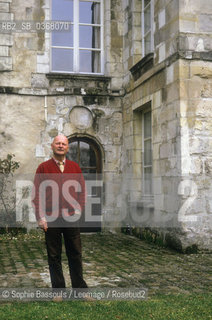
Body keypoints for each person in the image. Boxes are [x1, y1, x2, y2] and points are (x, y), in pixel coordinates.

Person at [32, 134, 88, 289]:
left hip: (71, 218)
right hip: (51, 219)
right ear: (52, 146)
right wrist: (40, 217)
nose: (61, 146)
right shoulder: (43, 168)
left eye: (64, 143)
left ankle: (80, 289)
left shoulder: (74, 167)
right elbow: (37, 194)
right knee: (54, 255)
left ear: (67, 147)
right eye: (58, 143)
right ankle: (58, 290)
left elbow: (82, 191)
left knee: (75, 254)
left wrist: (78, 210)